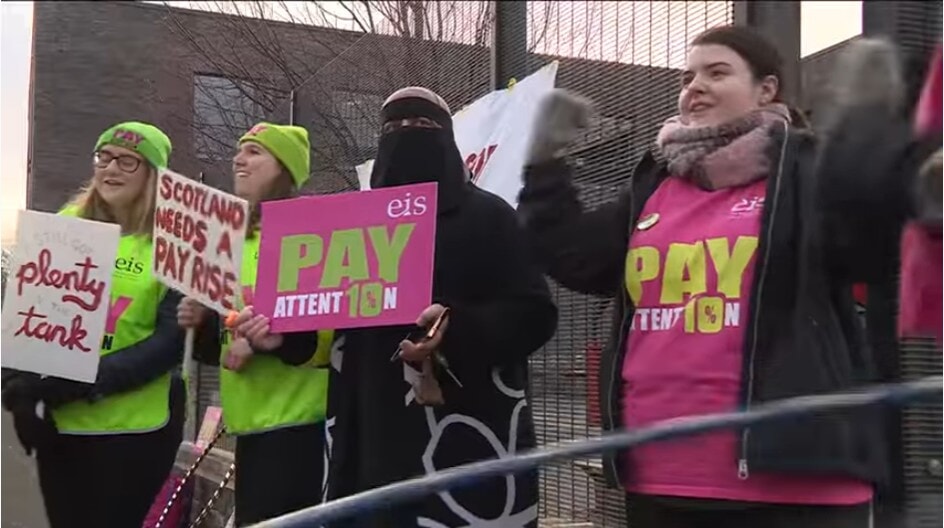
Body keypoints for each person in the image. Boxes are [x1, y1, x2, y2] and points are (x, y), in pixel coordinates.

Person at [518, 26, 935, 528]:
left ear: (766, 89)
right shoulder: (656, 186)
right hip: (658, 474)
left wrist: (864, 136)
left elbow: (868, 244)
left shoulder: (804, 172)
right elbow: (576, 258)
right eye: (687, 77)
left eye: (717, 73)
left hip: (793, 479)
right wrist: (543, 166)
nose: (695, 86)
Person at [323, 87, 558, 528]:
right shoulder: (350, 227)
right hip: (369, 436)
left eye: (422, 125)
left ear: (447, 138)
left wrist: (457, 328)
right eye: (393, 127)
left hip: (465, 440)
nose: (406, 134)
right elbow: (321, 322)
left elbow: (535, 313)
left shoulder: (491, 217)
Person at [1, 121, 185, 528]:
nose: (111, 168)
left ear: (153, 175)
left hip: (133, 434)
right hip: (62, 429)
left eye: (127, 161)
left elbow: (168, 343)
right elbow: (25, 318)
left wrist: (89, 379)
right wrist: (17, 393)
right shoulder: (65, 224)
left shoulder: (173, 242)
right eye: (104, 157)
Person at [177, 122, 335, 527]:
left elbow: (326, 326)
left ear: (284, 167)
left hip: (301, 423)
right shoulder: (230, 240)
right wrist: (202, 325)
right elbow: (220, 346)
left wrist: (269, 339)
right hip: (247, 424)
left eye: (254, 151)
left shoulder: (311, 228)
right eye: (240, 149)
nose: (238, 159)